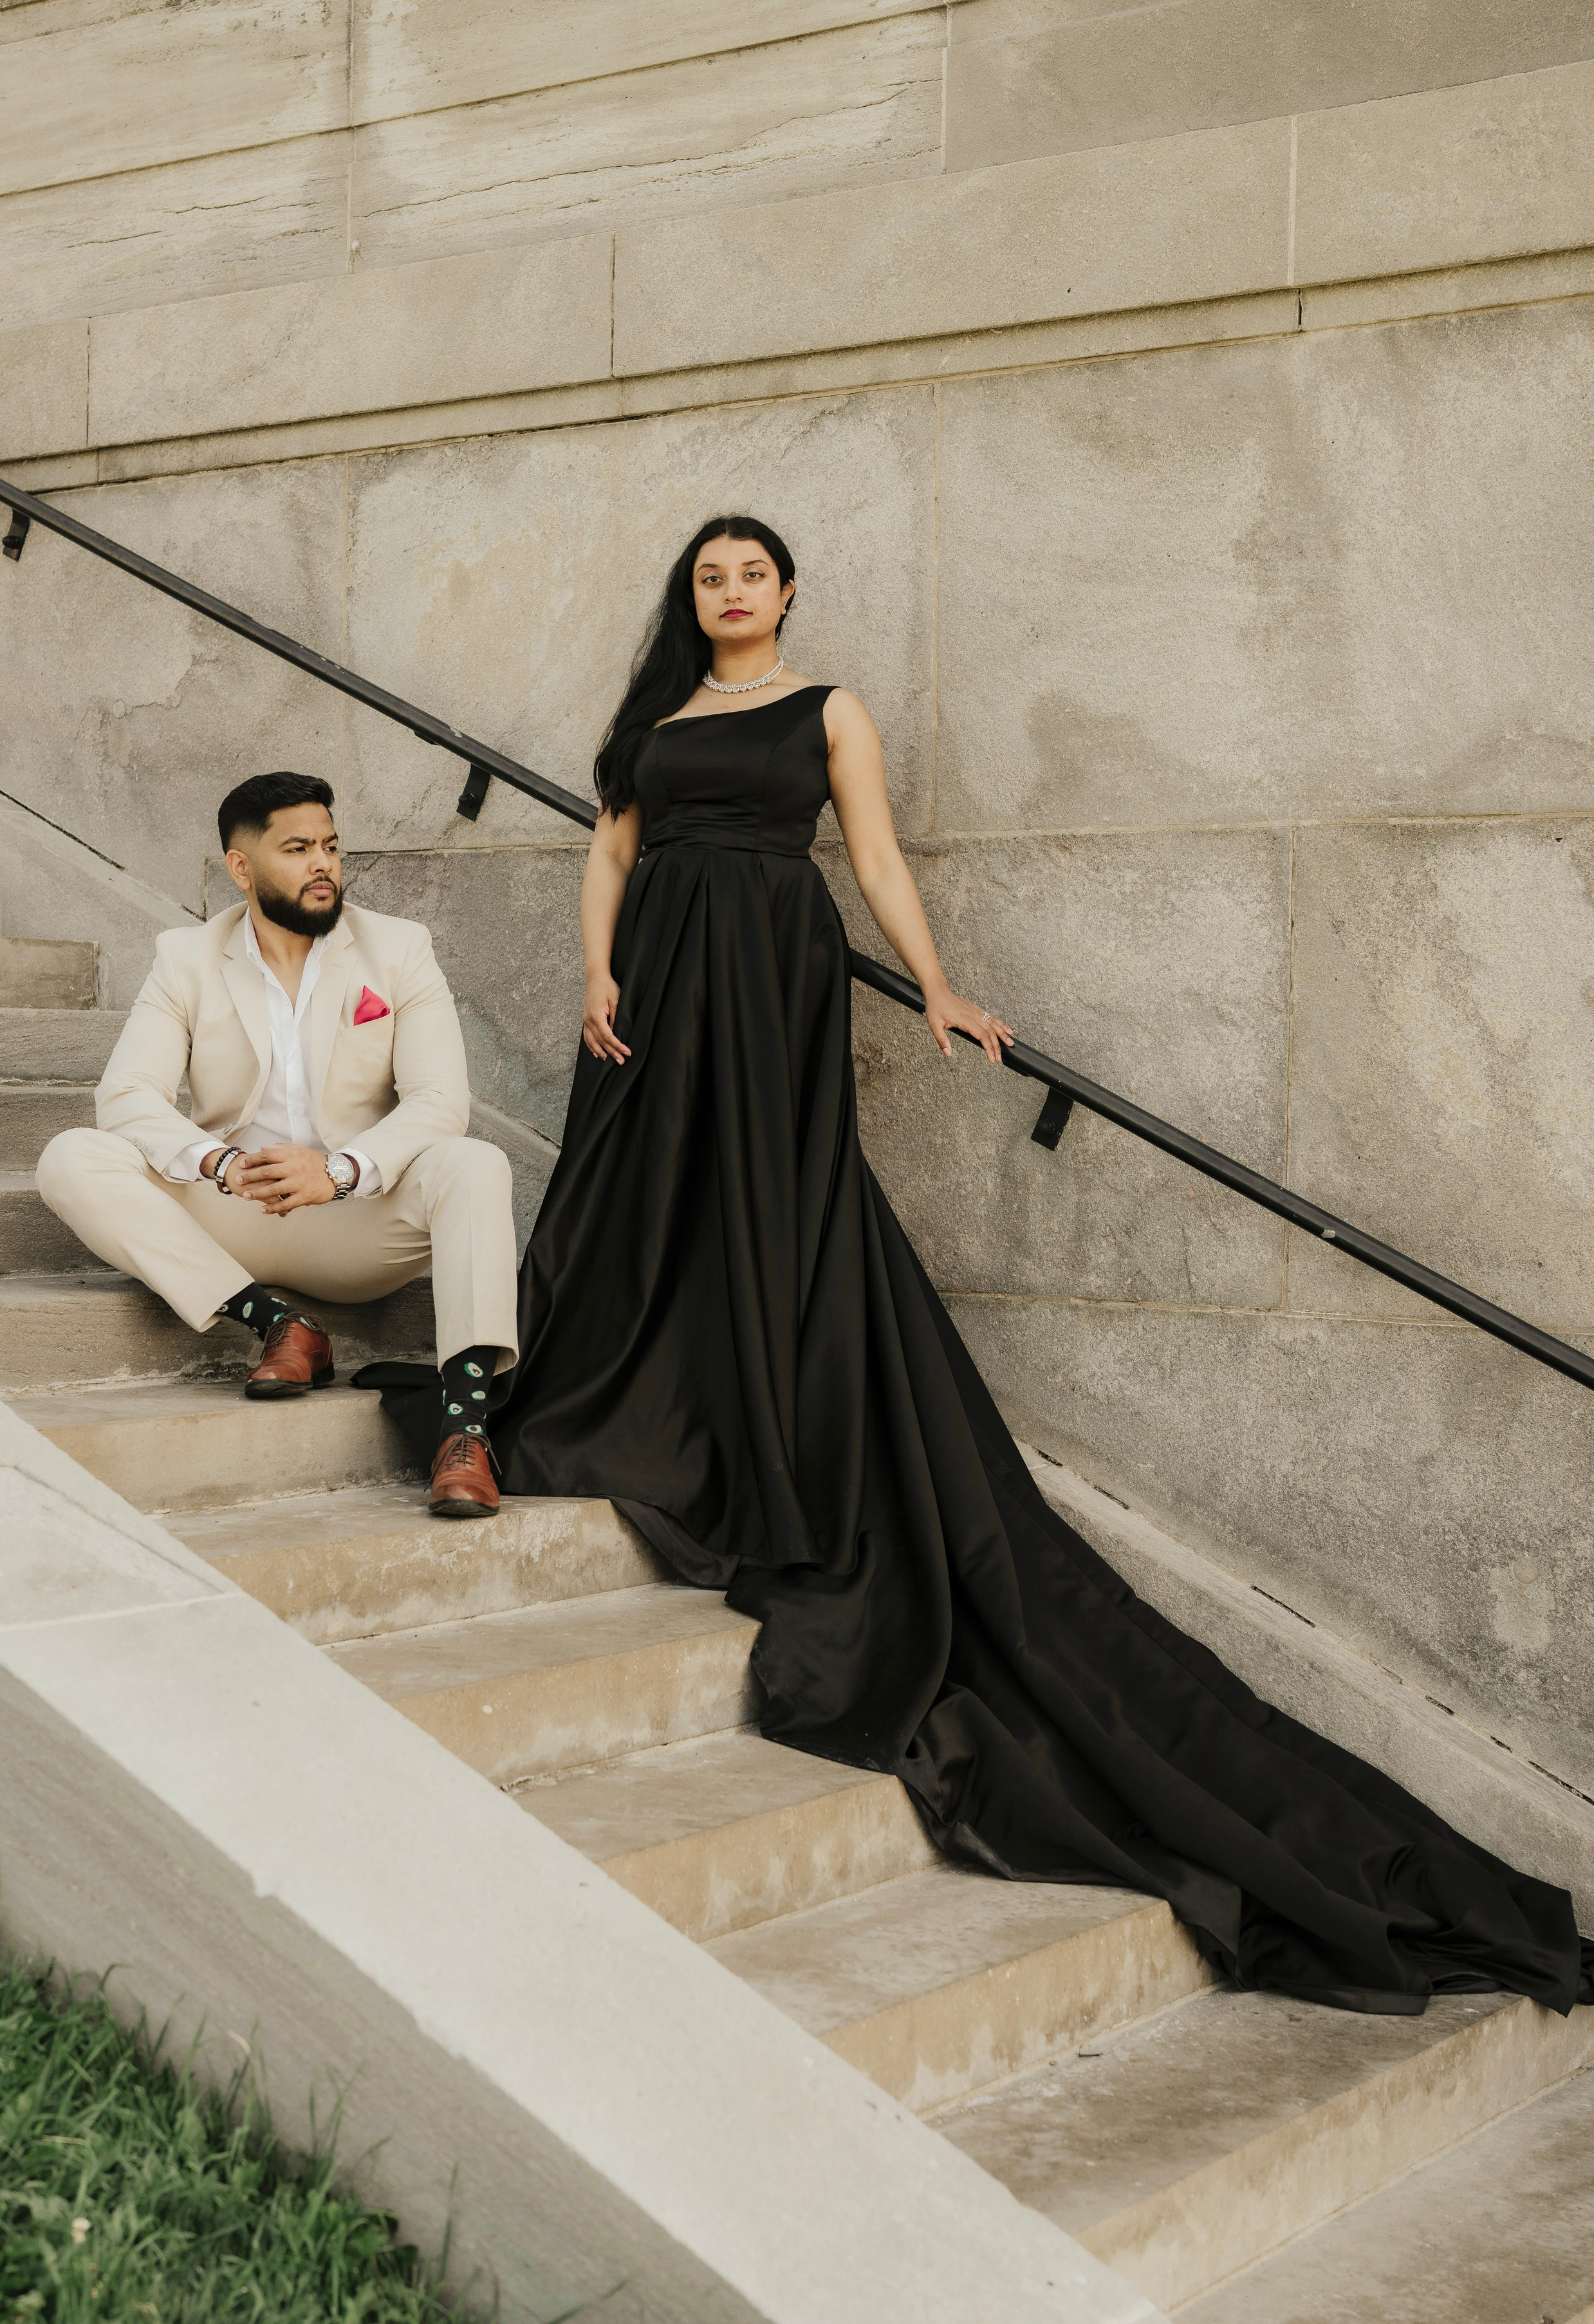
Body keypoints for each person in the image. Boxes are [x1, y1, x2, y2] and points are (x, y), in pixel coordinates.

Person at [465, 515, 1591, 2018]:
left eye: (750, 573)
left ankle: (762, 1432)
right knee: (650, 1192)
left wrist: (936, 983)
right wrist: (597, 967)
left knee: (775, 1201)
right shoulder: (656, 722)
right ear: (694, 597)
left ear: (785, 592)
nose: (728, 590)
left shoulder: (828, 711)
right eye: (708, 575)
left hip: (773, 959)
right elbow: (609, 851)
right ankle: (651, 1400)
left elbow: (871, 856)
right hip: (658, 968)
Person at [35, 772, 516, 1518]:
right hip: (235, 1211)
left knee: (476, 1162)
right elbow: (127, 1096)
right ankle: (280, 1326)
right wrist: (221, 1164)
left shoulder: (399, 949)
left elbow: (439, 1100)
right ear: (241, 867)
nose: (323, 863)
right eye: (297, 849)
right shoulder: (187, 958)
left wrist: (341, 1171)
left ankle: (464, 1434)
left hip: (358, 1221)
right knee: (72, 1155)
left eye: (331, 846)